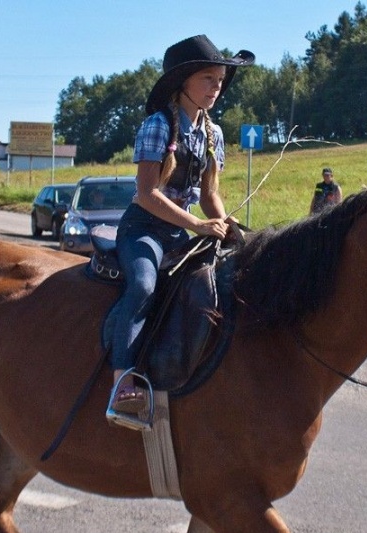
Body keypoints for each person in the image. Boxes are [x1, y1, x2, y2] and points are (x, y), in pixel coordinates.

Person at [107, 35, 254, 415]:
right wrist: (199, 225)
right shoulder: (159, 125)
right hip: (143, 229)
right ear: (183, 82)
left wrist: (223, 221)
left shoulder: (213, 133)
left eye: (220, 81)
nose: (216, 88)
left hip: (179, 231)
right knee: (142, 285)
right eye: (208, 78)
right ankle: (121, 382)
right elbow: (146, 193)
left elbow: (209, 196)